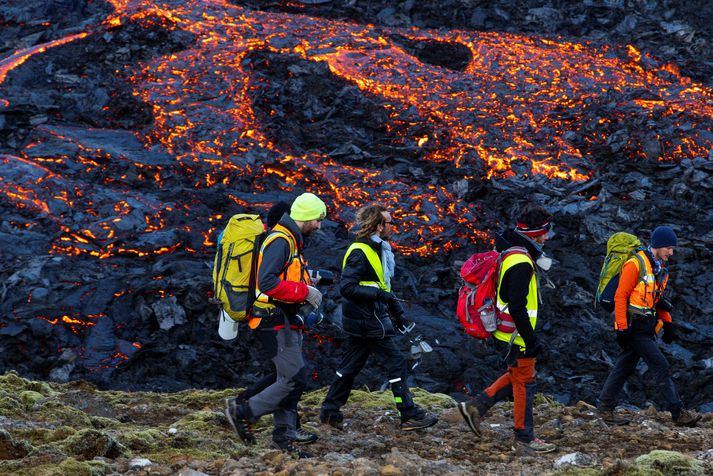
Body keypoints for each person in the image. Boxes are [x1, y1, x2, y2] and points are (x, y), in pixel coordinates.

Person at [319, 204, 438, 431]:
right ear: (378, 225)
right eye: (389, 222)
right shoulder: (360, 252)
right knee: (396, 362)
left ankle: (330, 410)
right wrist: (379, 296)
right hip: (368, 321)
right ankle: (408, 413)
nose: (393, 226)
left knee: (350, 365)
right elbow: (347, 287)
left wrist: (398, 314)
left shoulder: (378, 250)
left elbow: (381, 287)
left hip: (367, 318)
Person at [225, 193, 327, 456]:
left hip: (284, 319)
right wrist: (304, 293)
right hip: (272, 320)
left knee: (287, 376)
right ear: (305, 217)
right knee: (295, 378)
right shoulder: (280, 240)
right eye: (317, 220)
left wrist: (305, 286)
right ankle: (244, 412)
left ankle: (284, 438)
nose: (319, 226)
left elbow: (283, 278)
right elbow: (267, 282)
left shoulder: (291, 241)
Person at [457, 203, 557, 454]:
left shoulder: (509, 252)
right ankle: (524, 438)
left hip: (505, 332)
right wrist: (530, 339)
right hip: (516, 334)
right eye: (544, 233)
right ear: (533, 233)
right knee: (526, 382)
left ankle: (475, 407)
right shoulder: (521, 262)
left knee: (517, 375)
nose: (547, 237)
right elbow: (517, 305)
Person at [596, 226, 701, 427]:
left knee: (624, 366)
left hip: (646, 327)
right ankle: (678, 413)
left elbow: (656, 300)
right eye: (669, 248)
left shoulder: (660, 269)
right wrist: (622, 327)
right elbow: (620, 296)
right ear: (659, 245)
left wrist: (668, 324)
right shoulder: (635, 264)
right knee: (660, 364)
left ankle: (604, 409)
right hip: (634, 328)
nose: (671, 252)